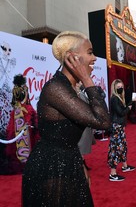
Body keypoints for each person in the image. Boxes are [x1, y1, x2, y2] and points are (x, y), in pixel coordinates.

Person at [22, 31, 111, 207]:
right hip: (51, 168)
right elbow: (103, 121)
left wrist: (80, 164)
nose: (94, 58)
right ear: (72, 58)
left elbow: (68, 137)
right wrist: (86, 79)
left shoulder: (68, 87)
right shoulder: (56, 88)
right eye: (90, 52)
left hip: (68, 162)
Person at [108, 79, 136, 181]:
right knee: (115, 149)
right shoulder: (115, 99)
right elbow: (121, 112)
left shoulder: (119, 98)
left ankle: (125, 166)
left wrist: (131, 102)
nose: (120, 89)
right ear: (114, 88)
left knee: (123, 147)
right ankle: (113, 174)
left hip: (120, 126)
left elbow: (123, 110)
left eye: (121, 87)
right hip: (116, 127)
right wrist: (129, 108)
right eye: (118, 87)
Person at [76, 82, 97, 171]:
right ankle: (81, 165)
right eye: (79, 82)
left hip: (85, 124)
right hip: (82, 125)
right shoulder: (79, 95)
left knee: (81, 146)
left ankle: (82, 164)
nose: (81, 83)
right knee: (80, 146)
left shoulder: (82, 94)